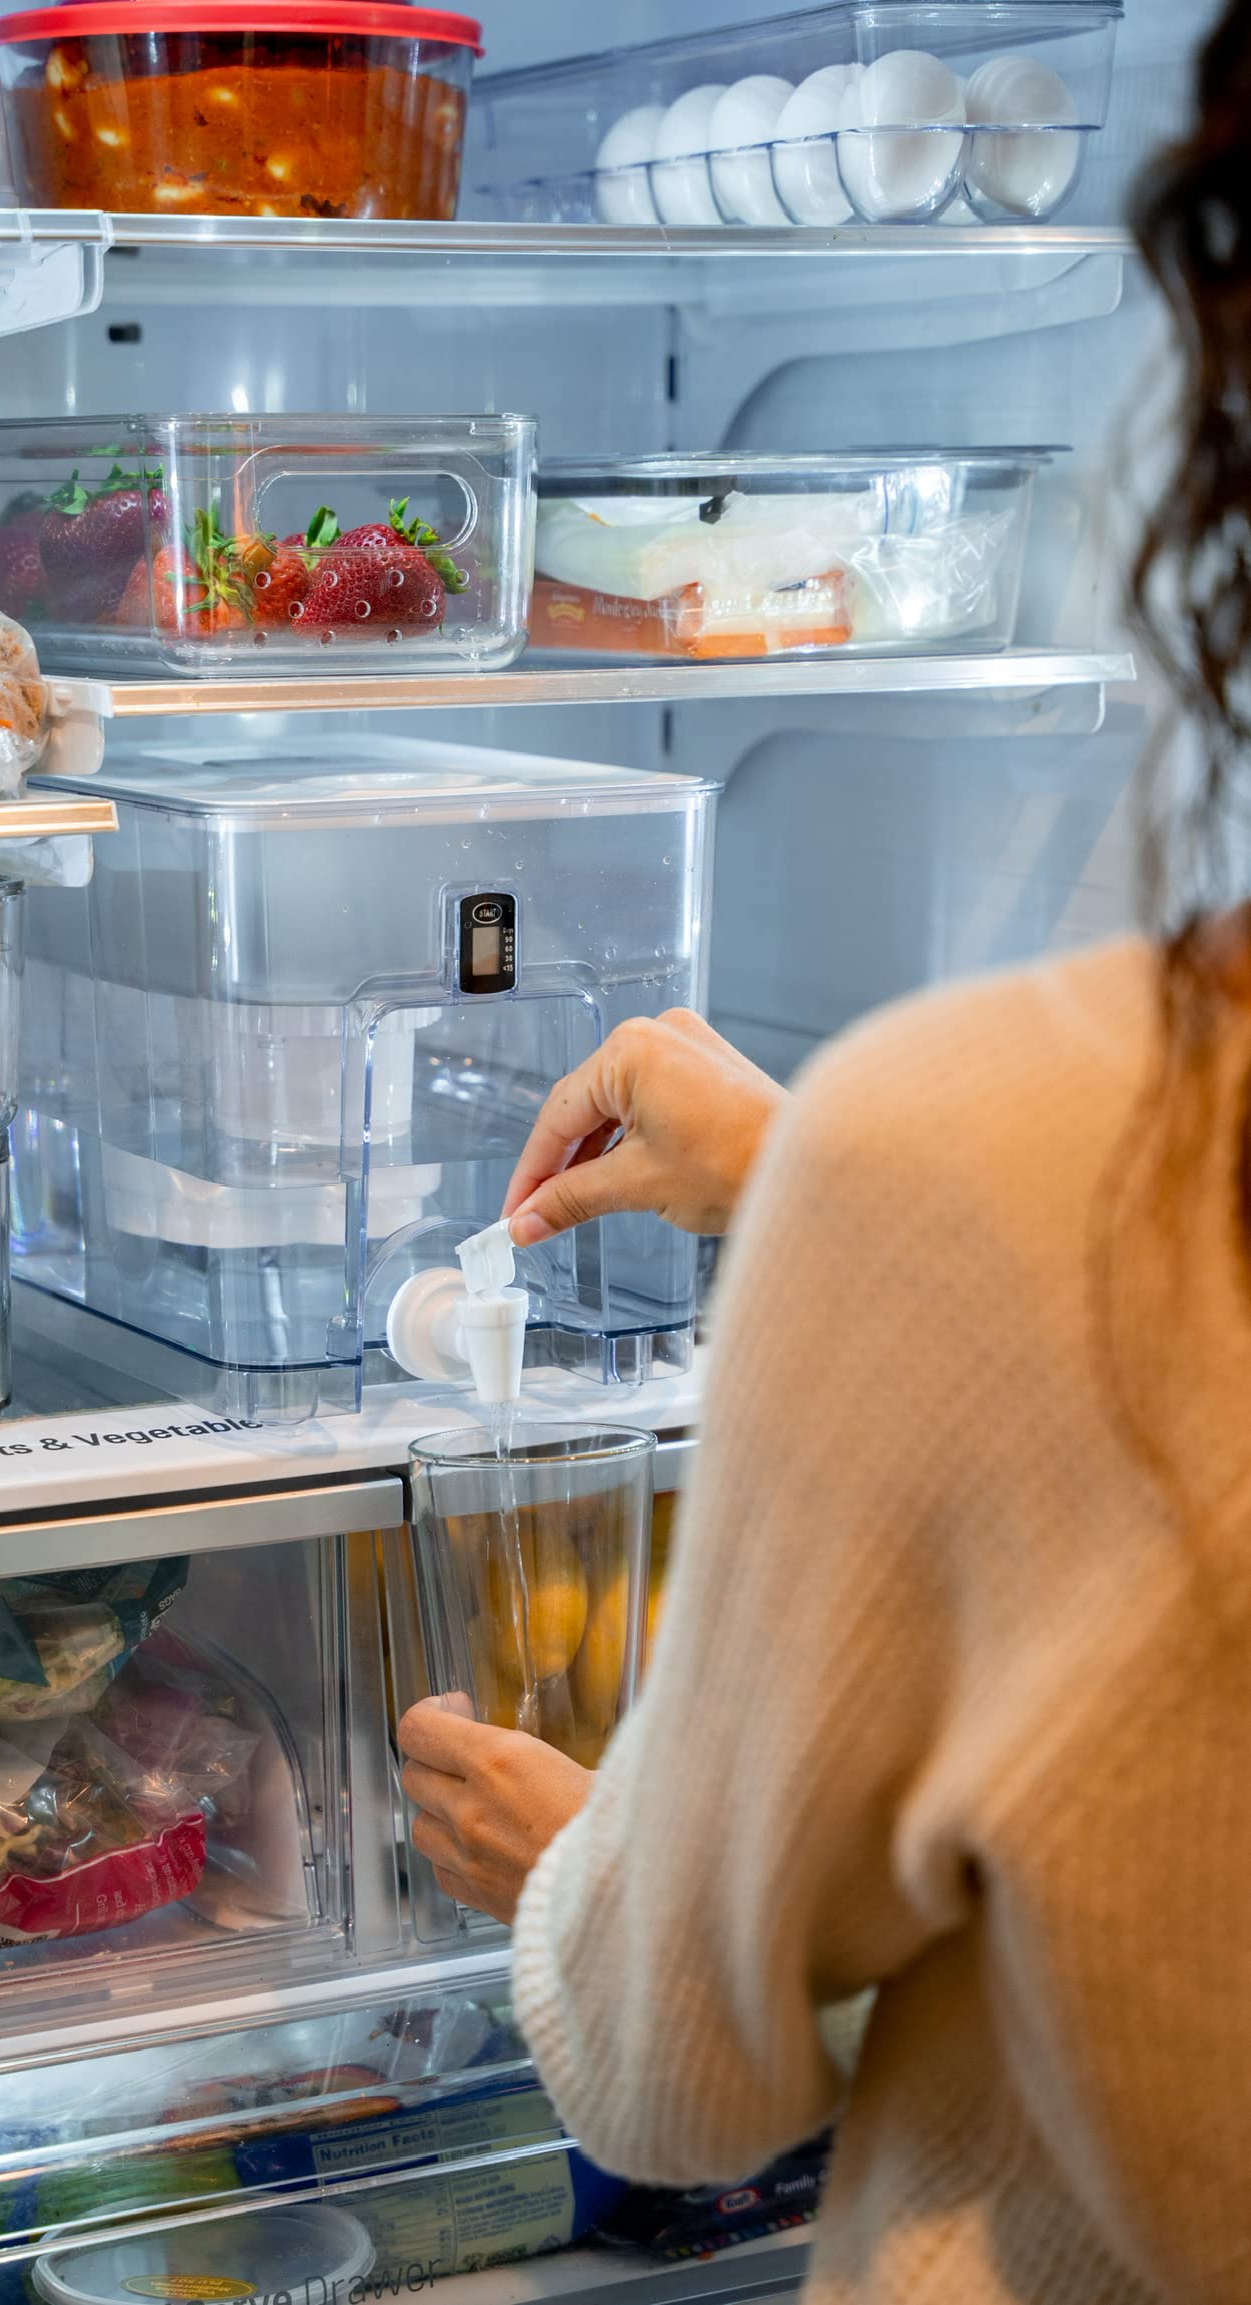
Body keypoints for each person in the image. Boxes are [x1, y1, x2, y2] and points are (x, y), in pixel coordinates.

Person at [397, 7, 1251, 2299]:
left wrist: (584, 1871)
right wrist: (829, 1196)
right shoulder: (977, 1176)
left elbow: (688, 2069)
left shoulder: (1000, 1150)